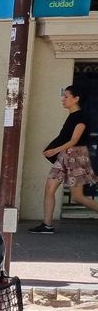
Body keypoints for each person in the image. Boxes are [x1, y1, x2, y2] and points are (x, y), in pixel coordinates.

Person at [29, 85, 98, 234]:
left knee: (78, 197)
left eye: (66, 96)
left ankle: (47, 225)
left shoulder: (81, 116)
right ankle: (47, 225)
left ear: (76, 98)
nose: (63, 99)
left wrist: (55, 150)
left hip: (76, 157)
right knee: (49, 188)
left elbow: (74, 140)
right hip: (64, 156)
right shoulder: (72, 116)